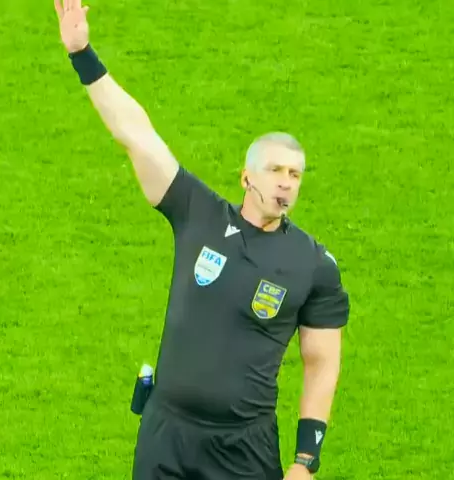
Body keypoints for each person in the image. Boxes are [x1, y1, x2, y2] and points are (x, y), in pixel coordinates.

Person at [53, 1, 351, 479]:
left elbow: (322, 363)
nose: (286, 182)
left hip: (243, 448)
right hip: (167, 434)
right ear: (247, 177)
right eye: (275, 170)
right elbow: (137, 135)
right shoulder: (198, 213)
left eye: (295, 174)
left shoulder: (312, 264)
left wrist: (305, 461)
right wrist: (82, 54)